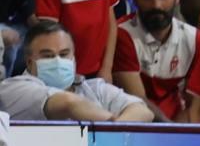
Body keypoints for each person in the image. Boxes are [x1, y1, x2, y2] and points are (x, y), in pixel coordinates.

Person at [0, 20, 153, 121]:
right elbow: (68, 103)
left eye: (64, 54)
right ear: (29, 62)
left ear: (73, 57)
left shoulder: (94, 89)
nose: (58, 60)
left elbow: (143, 111)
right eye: (48, 55)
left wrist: (116, 127)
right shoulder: (13, 88)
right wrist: (109, 126)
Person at [116, 0, 200, 120]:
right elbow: (138, 100)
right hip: (132, 124)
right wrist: (170, 133)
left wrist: (179, 134)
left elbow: (196, 103)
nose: (156, 4)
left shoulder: (194, 39)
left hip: (176, 123)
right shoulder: (122, 34)